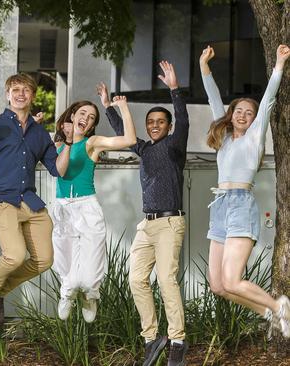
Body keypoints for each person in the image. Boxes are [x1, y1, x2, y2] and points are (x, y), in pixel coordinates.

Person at [101, 61, 190, 366]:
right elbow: (123, 134)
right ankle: (152, 339)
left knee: (166, 279)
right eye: (150, 121)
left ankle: (177, 342)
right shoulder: (144, 149)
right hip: (147, 225)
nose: (154, 124)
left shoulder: (175, 147)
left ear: (167, 126)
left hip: (169, 222)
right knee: (136, 279)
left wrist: (175, 90)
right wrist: (108, 107)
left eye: (160, 121)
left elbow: (184, 121)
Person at [0, 73, 70, 325]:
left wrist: (69, 142)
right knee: (14, 254)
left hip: (30, 202)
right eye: (15, 89)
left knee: (44, 260)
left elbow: (58, 170)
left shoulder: (39, 133)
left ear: (33, 95)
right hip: (1, 200)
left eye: (26, 90)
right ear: (7, 94)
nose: (20, 94)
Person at [200, 44, 290, 338]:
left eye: (248, 113)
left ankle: (280, 308)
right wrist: (204, 67)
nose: (243, 115)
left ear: (253, 120)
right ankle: (268, 312)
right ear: (231, 114)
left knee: (233, 280)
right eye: (238, 110)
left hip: (241, 206)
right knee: (218, 285)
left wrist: (278, 64)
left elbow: (267, 101)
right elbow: (214, 99)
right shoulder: (224, 137)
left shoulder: (254, 138)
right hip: (220, 207)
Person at [52, 95, 136, 322]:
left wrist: (123, 108)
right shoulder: (58, 144)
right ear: (72, 116)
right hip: (62, 208)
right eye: (82, 114)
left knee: (91, 268)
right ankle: (67, 293)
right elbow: (59, 171)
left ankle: (90, 294)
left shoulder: (93, 143)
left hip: (87, 207)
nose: (86, 119)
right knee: (65, 262)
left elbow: (129, 139)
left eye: (91, 118)